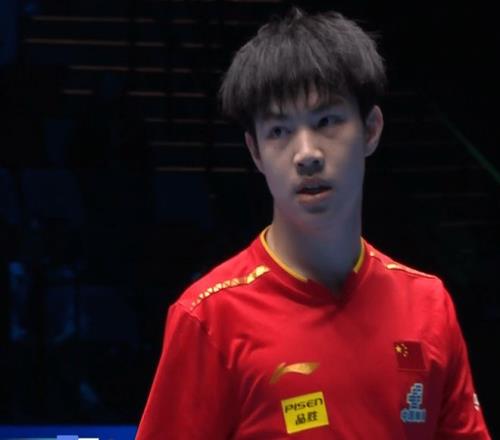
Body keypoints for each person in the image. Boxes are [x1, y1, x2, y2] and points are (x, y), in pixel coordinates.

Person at [136, 8, 491, 439]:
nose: (306, 153)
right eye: (279, 131)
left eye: (326, 122)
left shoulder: (428, 305)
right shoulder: (210, 318)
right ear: (255, 152)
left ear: (371, 129)